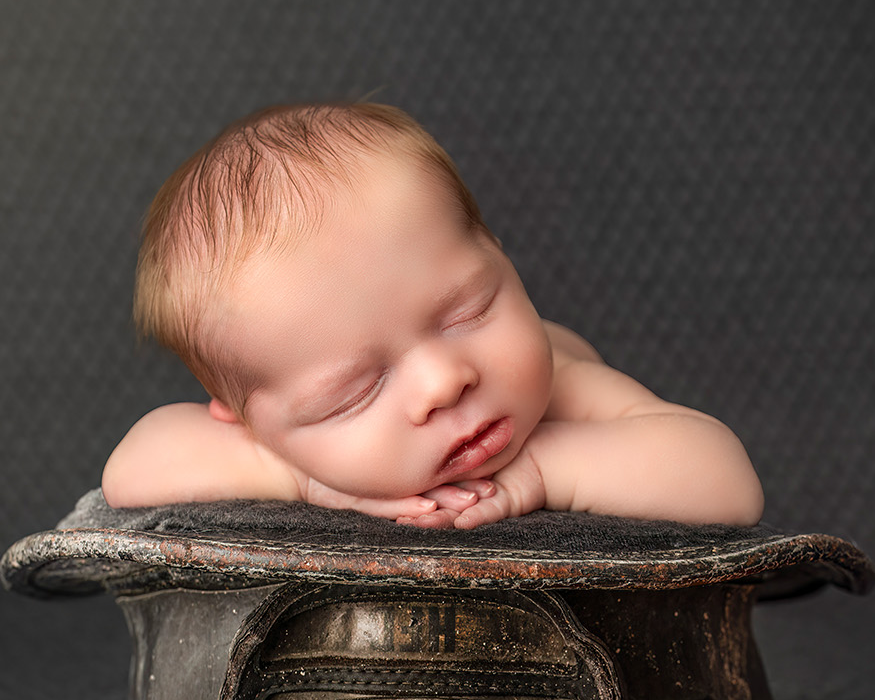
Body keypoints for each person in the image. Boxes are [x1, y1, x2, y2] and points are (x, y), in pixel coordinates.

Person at [102, 103, 764, 528]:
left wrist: (542, 469)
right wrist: (305, 477)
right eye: (354, 391)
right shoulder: (277, 445)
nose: (445, 382)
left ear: (501, 260)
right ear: (247, 419)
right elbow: (131, 470)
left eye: (468, 311)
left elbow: (725, 480)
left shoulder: (560, 390)